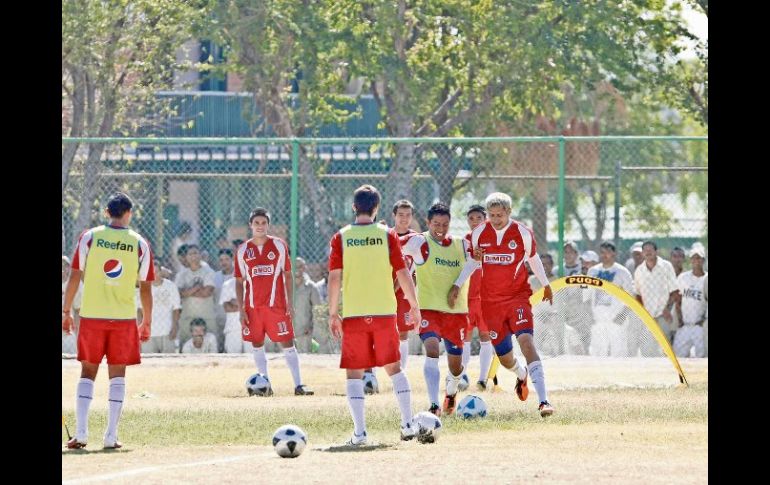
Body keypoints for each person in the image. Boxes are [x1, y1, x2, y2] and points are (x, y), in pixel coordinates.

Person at [327, 184, 420, 445]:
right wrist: (414, 305)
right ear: (377, 208)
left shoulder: (341, 237)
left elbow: (334, 278)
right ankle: (407, 424)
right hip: (384, 312)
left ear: (354, 207)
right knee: (394, 368)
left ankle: (359, 434)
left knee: (354, 373)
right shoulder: (387, 235)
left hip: (355, 313)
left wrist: (333, 313)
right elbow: (402, 272)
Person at [62, 192, 154, 449]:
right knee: (118, 374)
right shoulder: (139, 243)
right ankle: (111, 436)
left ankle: (81, 434)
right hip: (123, 318)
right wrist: (146, 321)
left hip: (91, 315)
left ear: (106, 213)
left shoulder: (90, 237)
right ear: (129, 214)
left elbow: (74, 276)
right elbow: (145, 288)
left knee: (87, 372)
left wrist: (66, 311)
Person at [470, 192, 555, 417]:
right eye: (492, 215)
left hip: (517, 297)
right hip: (490, 303)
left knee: (527, 342)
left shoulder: (522, 233)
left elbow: (533, 258)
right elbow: (474, 261)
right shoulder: (478, 233)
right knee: (506, 358)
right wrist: (460, 282)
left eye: (500, 214)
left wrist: (546, 284)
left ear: (509, 212)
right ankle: (521, 374)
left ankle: (544, 401)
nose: (495, 219)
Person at [399, 203, 477, 416]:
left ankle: (450, 393)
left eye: (445, 224)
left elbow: (475, 260)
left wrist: (457, 285)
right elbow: (393, 246)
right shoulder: (419, 241)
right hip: (428, 309)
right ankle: (434, 405)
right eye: (436, 224)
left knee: (455, 366)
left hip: (456, 312)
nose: (440, 229)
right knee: (432, 349)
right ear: (427, 222)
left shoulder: (461, 245)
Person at [235, 207, 313, 395]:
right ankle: (264, 384)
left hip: (276, 306)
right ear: (250, 225)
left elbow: (287, 275)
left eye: (263, 223)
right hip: (253, 307)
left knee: (287, 343)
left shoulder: (279, 246)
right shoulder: (243, 250)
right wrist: (241, 308)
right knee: (257, 343)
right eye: (256, 223)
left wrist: (289, 303)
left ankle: (298, 385)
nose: (260, 226)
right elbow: (239, 281)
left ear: (268, 225)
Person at [363, 199, 418, 391]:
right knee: (373, 330)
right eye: (400, 215)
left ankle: (399, 377)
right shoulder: (385, 236)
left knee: (402, 333)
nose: (404, 219)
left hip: (403, 294)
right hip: (381, 291)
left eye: (408, 215)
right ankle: (370, 377)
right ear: (394, 216)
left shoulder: (416, 239)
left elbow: (416, 268)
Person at [461, 205, 496, 389]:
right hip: (467, 298)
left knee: (485, 336)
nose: (474, 222)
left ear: (486, 219)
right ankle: (462, 375)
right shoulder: (465, 242)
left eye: (478, 218)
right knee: (464, 336)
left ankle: (483, 379)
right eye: (471, 219)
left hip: (486, 299)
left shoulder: (494, 240)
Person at [585, 242, 634, 357]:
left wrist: (622, 316)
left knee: (618, 353)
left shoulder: (623, 272)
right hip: (597, 319)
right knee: (597, 353)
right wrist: (590, 315)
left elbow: (631, 298)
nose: (604, 255)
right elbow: (587, 297)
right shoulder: (592, 271)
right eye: (602, 252)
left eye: (608, 252)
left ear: (614, 254)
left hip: (617, 319)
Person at [633, 241, 679, 356]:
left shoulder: (666, 266)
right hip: (647, 317)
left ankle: (667, 373)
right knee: (647, 351)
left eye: (650, 250)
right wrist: (641, 314)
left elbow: (674, 291)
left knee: (665, 350)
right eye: (645, 250)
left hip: (663, 315)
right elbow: (637, 295)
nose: (648, 252)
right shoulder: (639, 270)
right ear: (642, 253)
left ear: (656, 252)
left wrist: (667, 309)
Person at [175, 245, 218, 348]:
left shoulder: (208, 271)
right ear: (186, 257)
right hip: (187, 315)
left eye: (195, 253)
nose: (193, 256)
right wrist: (197, 288)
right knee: (185, 344)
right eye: (190, 254)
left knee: (210, 343)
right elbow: (178, 294)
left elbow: (206, 292)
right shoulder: (182, 274)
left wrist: (188, 292)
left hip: (206, 315)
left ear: (200, 256)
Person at [137, 257, 181, 353]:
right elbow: (140, 311)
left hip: (167, 331)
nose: (154, 275)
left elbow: (176, 309)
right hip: (149, 333)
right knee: (149, 362)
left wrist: (174, 327)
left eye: (156, 272)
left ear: (161, 272)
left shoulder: (171, 286)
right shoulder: (143, 288)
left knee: (169, 361)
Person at [673, 247, 707, 358]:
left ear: (703, 260)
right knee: (678, 355)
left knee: (701, 356)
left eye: (699, 258)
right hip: (685, 324)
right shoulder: (683, 277)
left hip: (700, 325)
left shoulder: (706, 279)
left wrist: (704, 321)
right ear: (690, 260)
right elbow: (677, 298)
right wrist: (679, 318)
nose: (696, 260)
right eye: (693, 258)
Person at [529, 253, 563, 356]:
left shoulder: (558, 281)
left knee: (555, 332)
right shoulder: (531, 280)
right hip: (536, 318)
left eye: (547, 264)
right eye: (542, 264)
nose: (544, 266)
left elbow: (560, 305)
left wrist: (550, 316)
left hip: (553, 317)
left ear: (552, 265)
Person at [293, 257, 322, 353]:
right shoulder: (285, 286)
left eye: (300, 266)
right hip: (287, 333)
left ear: (304, 268)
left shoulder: (311, 287)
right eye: (294, 266)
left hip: (304, 334)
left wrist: (311, 328)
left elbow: (318, 310)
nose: (297, 269)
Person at [62, 255, 83, 354]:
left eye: (65, 265)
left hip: (67, 333)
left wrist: (78, 333)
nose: (63, 268)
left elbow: (79, 310)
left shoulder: (75, 285)